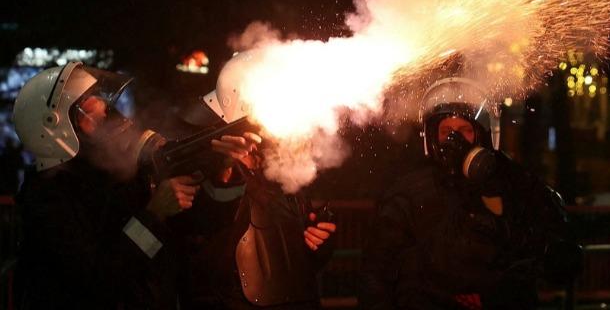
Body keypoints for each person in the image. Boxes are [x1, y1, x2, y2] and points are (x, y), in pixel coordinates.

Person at [10, 62, 251, 309]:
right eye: (87, 103)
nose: (103, 107)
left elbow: (205, 225)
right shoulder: (48, 201)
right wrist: (154, 214)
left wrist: (224, 167)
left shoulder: (114, 173)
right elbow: (99, 282)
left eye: (97, 96)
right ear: (58, 128)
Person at [360, 77, 581, 310]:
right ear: (430, 138)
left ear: (484, 135)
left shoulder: (517, 185)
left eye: (464, 130)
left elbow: (568, 262)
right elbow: (375, 275)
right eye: (446, 130)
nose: (454, 140)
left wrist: (528, 243)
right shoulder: (407, 195)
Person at [168, 50, 337, 309]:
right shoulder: (201, 167)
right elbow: (202, 252)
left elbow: (291, 265)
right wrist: (225, 176)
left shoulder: (283, 168)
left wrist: (317, 244)